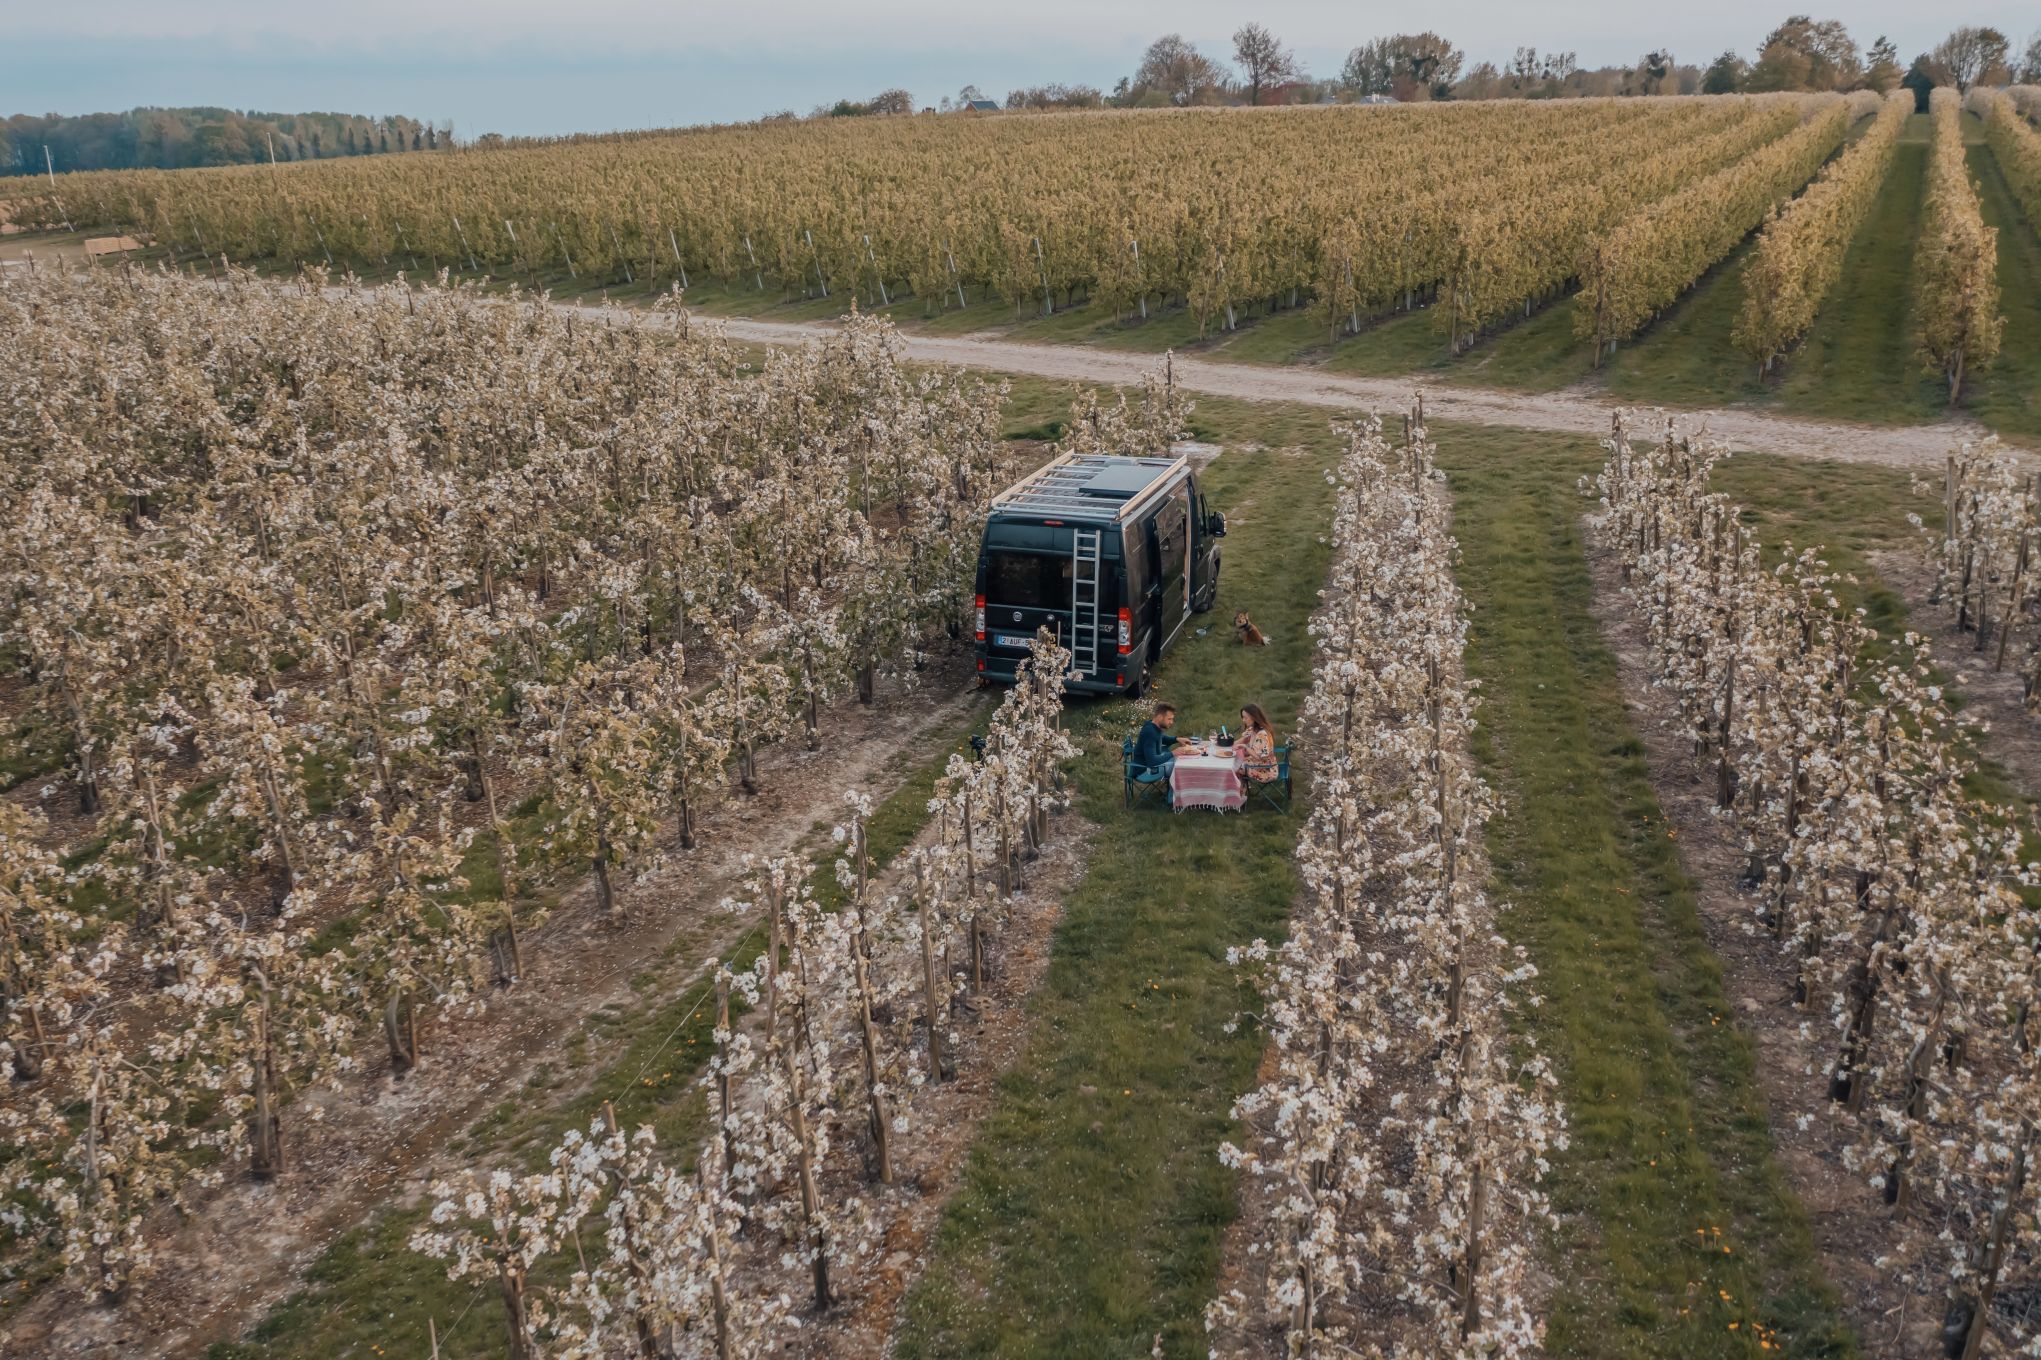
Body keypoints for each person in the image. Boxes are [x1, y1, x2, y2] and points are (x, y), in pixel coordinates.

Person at [1134, 701, 1193, 780]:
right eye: (1169, 719)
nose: (1171, 722)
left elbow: (1161, 738)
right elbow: (1152, 761)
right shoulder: (1149, 732)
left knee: (1182, 760)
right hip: (1145, 771)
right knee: (1182, 768)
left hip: (1151, 766)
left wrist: (1177, 739)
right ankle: (1175, 792)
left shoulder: (1153, 726)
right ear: (1160, 717)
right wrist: (1173, 753)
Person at [1234, 704, 1278, 785]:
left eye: (1245, 718)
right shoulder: (1253, 729)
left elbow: (1259, 757)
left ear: (1254, 717)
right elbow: (1243, 739)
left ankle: (1238, 792)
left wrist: (1245, 748)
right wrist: (1228, 745)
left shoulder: (1262, 734)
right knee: (1235, 760)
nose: (1243, 720)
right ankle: (1241, 790)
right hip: (1257, 763)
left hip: (1265, 770)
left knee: (1235, 766)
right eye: (1242, 717)